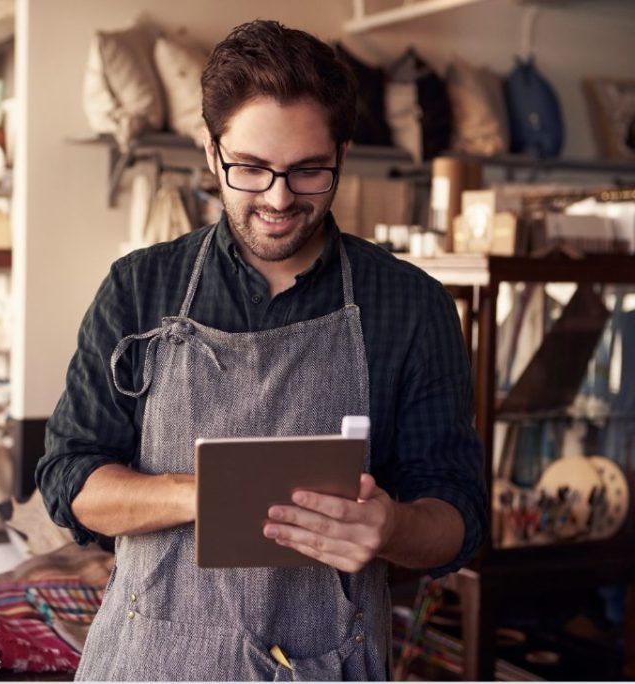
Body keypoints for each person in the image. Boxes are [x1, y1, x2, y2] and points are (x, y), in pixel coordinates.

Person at [37, 19, 488, 681]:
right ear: (212, 153)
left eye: (309, 171)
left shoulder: (410, 306)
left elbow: (460, 516)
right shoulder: (139, 289)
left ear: (343, 152)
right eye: (251, 169)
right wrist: (208, 494)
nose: (279, 199)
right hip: (149, 663)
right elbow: (68, 480)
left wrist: (390, 530)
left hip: (326, 665)